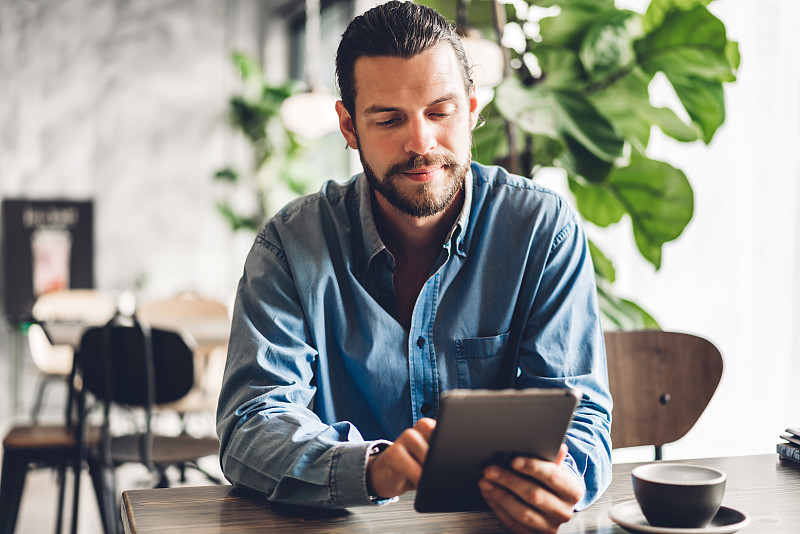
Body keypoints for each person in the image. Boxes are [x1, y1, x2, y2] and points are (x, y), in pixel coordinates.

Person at [216, 1, 612, 532]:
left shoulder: (542, 229)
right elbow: (252, 423)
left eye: (440, 112)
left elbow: (582, 413)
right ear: (349, 126)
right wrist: (371, 470)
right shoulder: (289, 246)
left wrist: (564, 476)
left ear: (472, 110)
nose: (421, 143)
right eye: (388, 119)